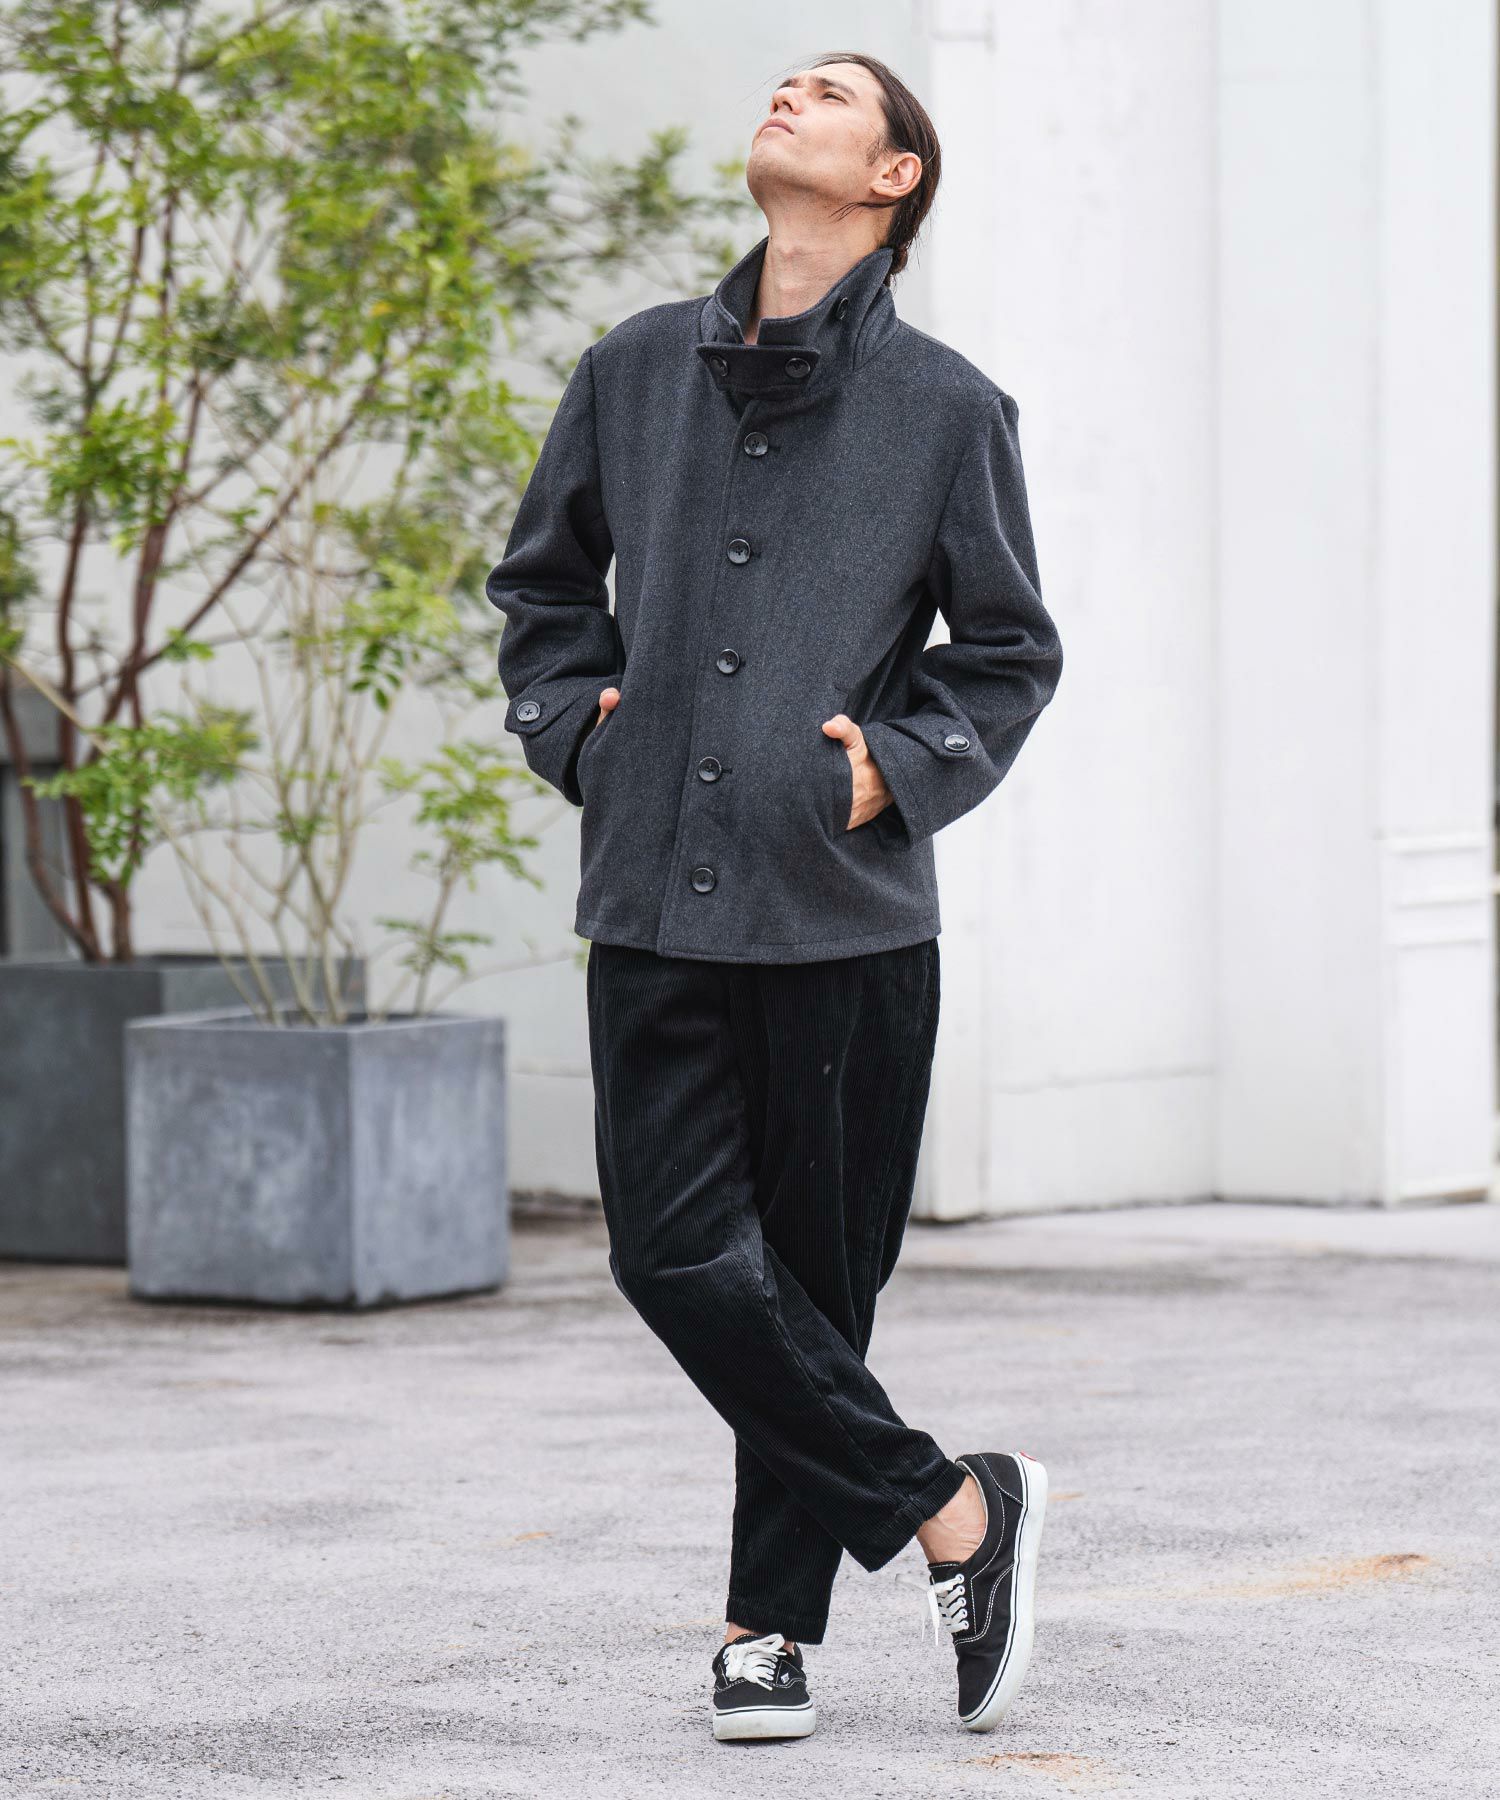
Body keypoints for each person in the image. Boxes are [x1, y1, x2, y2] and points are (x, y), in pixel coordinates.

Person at [486, 50, 1064, 1743]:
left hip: (842, 911)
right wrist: (579, 736)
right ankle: (955, 1509)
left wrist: (895, 767)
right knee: (675, 1254)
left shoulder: (949, 410)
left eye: (831, 94)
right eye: (785, 85)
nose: (787, 98)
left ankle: (766, 1632)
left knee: (812, 1283)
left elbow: (1009, 651)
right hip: (651, 889)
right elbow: (542, 590)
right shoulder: (633, 367)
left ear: (894, 178)